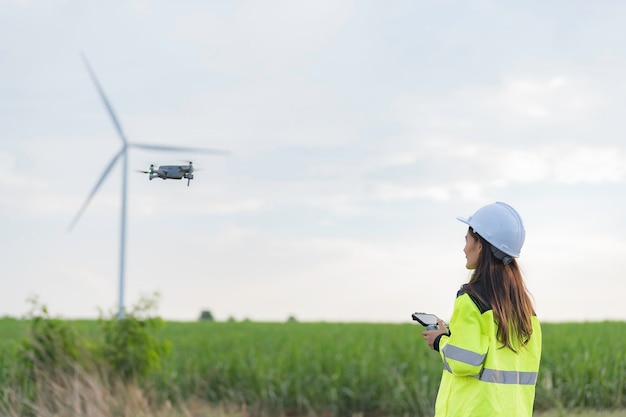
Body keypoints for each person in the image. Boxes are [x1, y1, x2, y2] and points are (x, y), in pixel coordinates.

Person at [422, 202, 542, 417]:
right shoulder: (526, 308)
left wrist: (440, 340)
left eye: (467, 239)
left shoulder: (471, 298)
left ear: (480, 245)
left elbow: (463, 362)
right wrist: (455, 335)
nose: (464, 248)